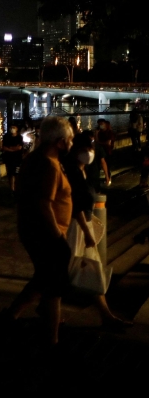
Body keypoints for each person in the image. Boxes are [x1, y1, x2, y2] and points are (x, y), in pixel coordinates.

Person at [4, 116, 74, 345]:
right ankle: (51, 339)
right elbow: (44, 204)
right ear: (60, 142)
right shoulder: (47, 164)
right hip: (45, 234)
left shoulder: (34, 158)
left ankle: (13, 314)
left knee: (42, 280)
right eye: (70, 139)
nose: (72, 143)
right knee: (54, 288)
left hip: (31, 229)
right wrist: (58, 237)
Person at [62, 132, 132, 331]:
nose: (90, 153)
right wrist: (87, 231)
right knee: (64, 271)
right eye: (85, 149)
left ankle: (106, 315)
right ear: (76, 151)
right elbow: (75, 206)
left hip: (83, 224)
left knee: (88, 270)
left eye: (90, 148)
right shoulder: (73, 173)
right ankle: (27, 310)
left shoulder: (82, 171)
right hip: (77, 227)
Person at [3, 123, 25, 192]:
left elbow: (19, 147)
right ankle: (12, 189)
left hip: (17, 159)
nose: (12, 129)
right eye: (11, 127)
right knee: (10, 174)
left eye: (14, 127)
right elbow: (4, 147)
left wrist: (10, 148)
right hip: (8, 158)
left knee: (17, 174)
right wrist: (14, 148)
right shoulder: (6, 136)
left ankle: (17, 188)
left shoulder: (19, 137)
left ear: (17, 129)